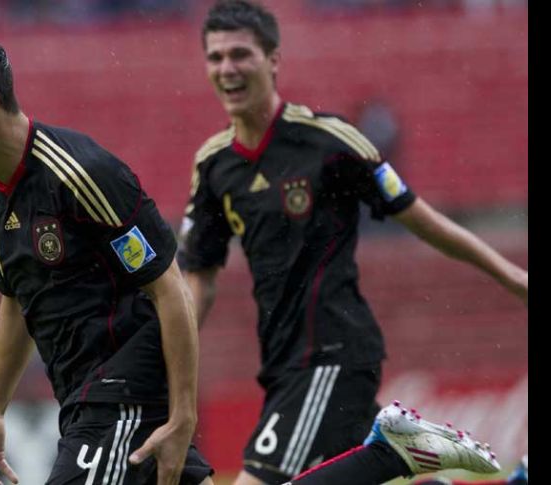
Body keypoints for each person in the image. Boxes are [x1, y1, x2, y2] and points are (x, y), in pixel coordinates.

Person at [177, 2, 528, 485]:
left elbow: (425, 222)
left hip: (330, 352)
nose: (227, 69)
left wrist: (511, 276)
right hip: (282, 361)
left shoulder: (330, 142)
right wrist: (169, 363)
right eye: (215, 58)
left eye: (241, 54)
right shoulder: (214, 165)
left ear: (273, 59)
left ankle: (395, 452)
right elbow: (200, 279)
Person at [0, 33, 213, 485]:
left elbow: (170, 287)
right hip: (77, 398)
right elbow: (18, 297)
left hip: (121, 390)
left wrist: (183, 415)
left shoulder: (80, 174)